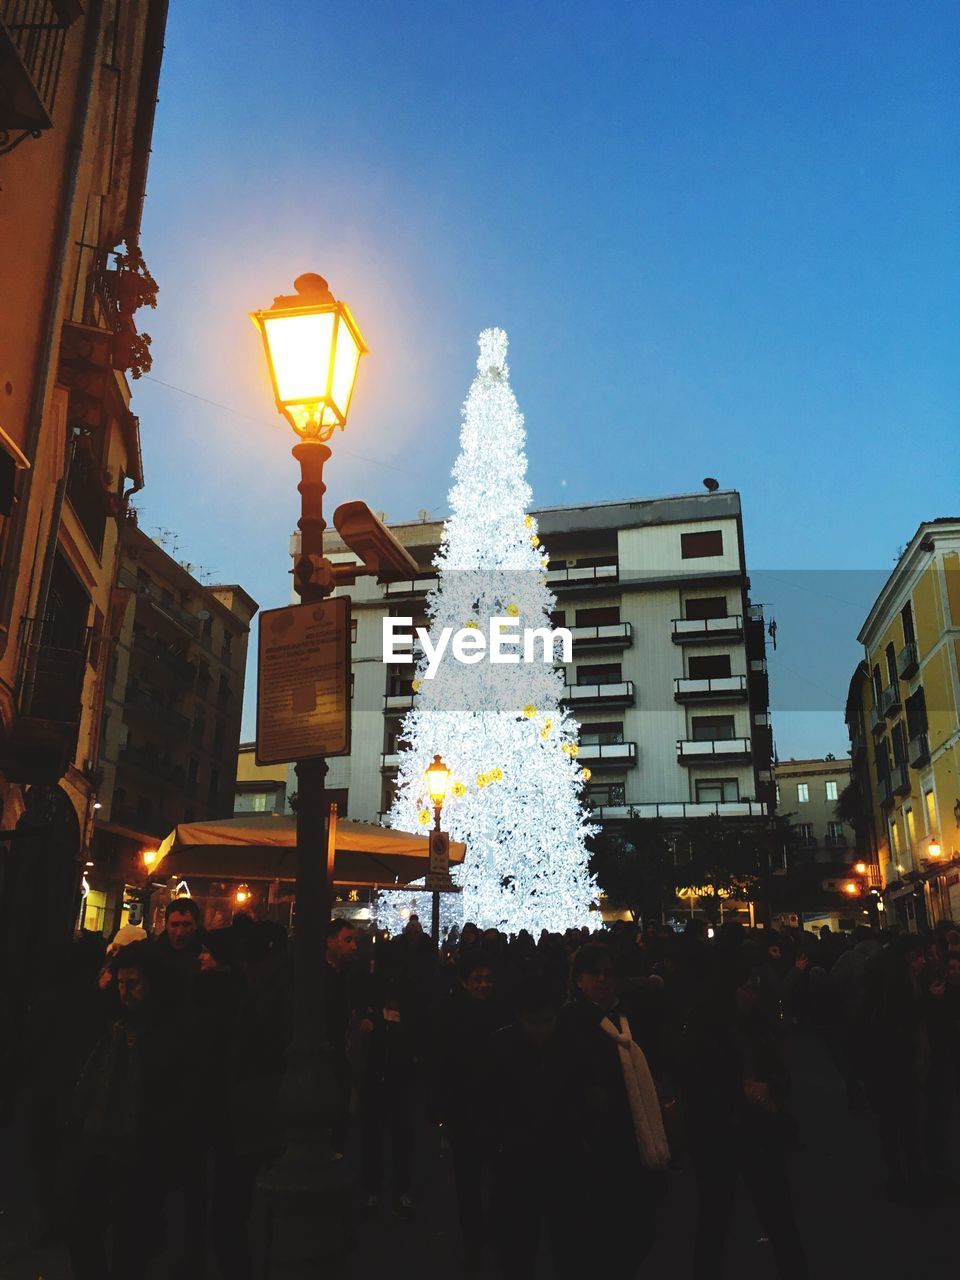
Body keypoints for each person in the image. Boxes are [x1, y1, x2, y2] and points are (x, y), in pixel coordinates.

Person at [679, 965, 809, 1279]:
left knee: (758, 1215)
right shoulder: (707, 1029)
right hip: (725, 1130)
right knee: (725, 1217)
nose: (753, 994)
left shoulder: (753, 1023)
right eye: (746, 988)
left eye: (754, 988)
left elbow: (778, 1067)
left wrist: (771, 1087)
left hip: (748, 1129)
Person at [65, 941, 184, 1279]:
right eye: (121, 983)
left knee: (129, 1239)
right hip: (103, 1141)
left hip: (142, 1144)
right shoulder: (112, 1023)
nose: (125, 992)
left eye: (134, 984)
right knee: (86, 1224)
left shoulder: (163, 1030)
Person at [559, 943, 669, 1275]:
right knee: (608, 1230)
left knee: (639, 1228)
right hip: (598, 1141)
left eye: (609, 974)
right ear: (579, 980)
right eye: (595, 974)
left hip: (635, 1134)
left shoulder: (628, 1016)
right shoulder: (572, 1021)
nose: (604, 980)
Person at [485, 975, 582, 1279]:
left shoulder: (566, 1043)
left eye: (547, 1021)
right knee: (522, 1248)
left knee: (560, 1245)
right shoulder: (502, 1047)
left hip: (552, 1157)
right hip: (520, 1160)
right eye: (534, 1022)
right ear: (518, 1017)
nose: (541, 1029)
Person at [431, 951, 504, 1272]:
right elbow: (442, 1065)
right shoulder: (452, 1016)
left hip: (492, 1109)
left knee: (493, 1178)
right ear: (464, 982)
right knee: (470, 1182)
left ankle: (485, 1235)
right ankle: (475, 1240)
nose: (484, 985)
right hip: (466, 1111)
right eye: (478, 979)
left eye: (488, 979)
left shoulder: (501, 1014)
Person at [325, 918, 361, 1156]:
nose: (354, 946)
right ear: (329, 942)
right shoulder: (328, 978)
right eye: (348, 940)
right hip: (330, 1058)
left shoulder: (346, 976)